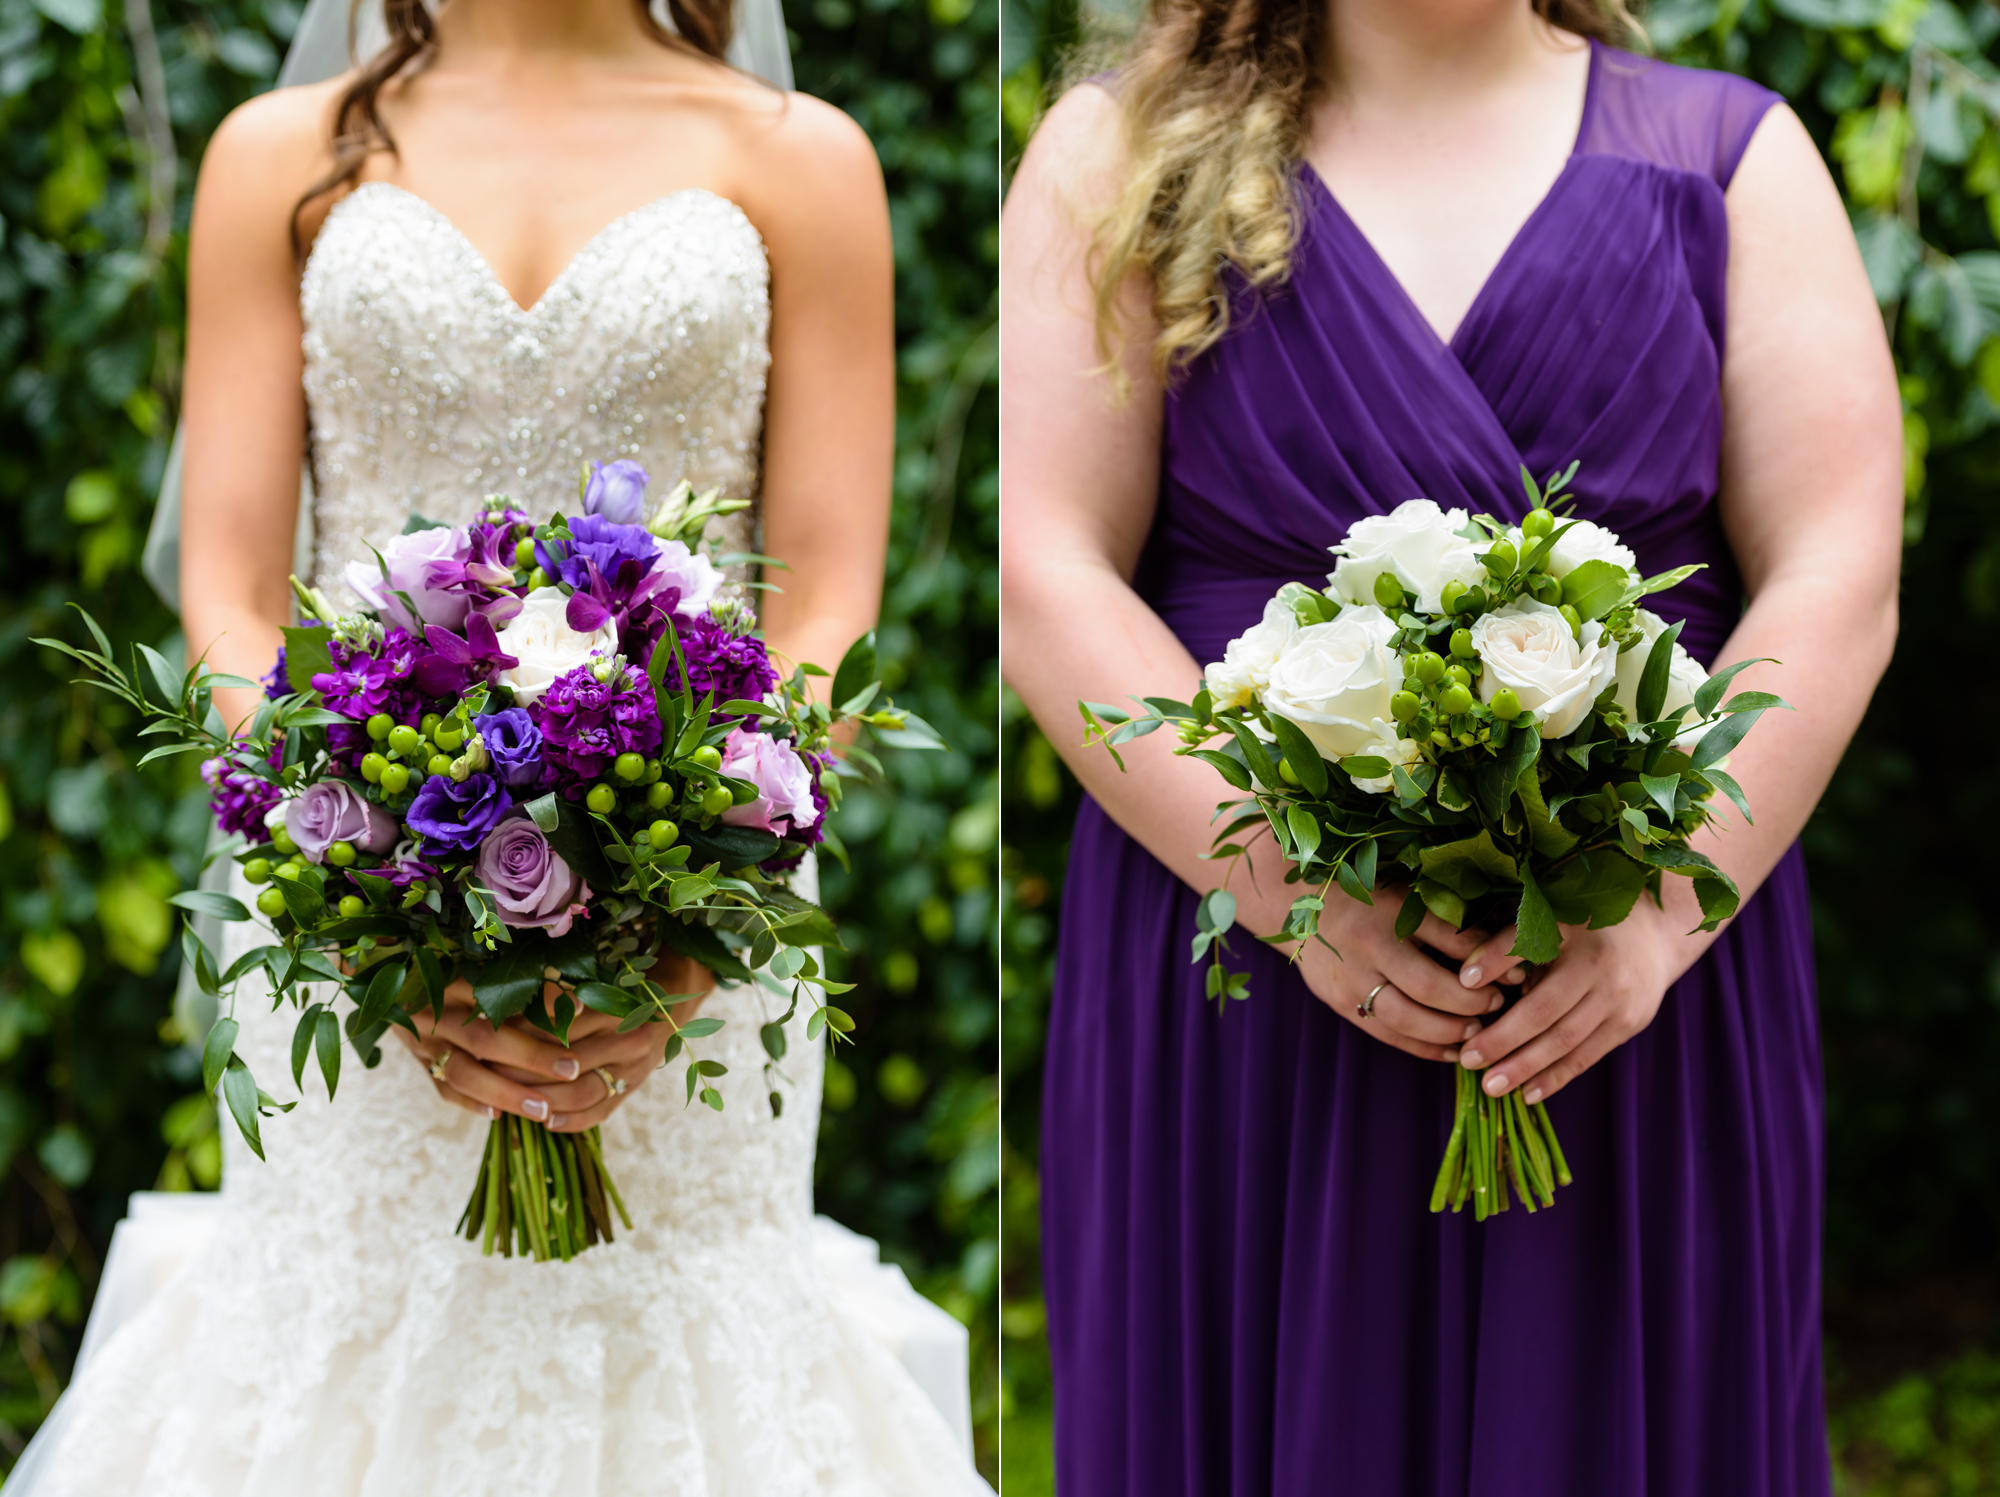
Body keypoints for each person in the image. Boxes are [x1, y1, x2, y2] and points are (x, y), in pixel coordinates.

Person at [11, 1, 990, 1491]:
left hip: (702, 907)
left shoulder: (805, 165)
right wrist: (354, 854)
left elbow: (830, 593)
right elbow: (224, 587)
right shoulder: (280, 156)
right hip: (349, 904)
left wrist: (703, 892)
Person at [1002, 0, 1901, 1491]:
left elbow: (1839, 569)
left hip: (1629, 997)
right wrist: (1298, 891)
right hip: (1248, 988)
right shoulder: (1123, 155)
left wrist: (1663, 910)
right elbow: (1051, 576)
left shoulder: (1728, 160)